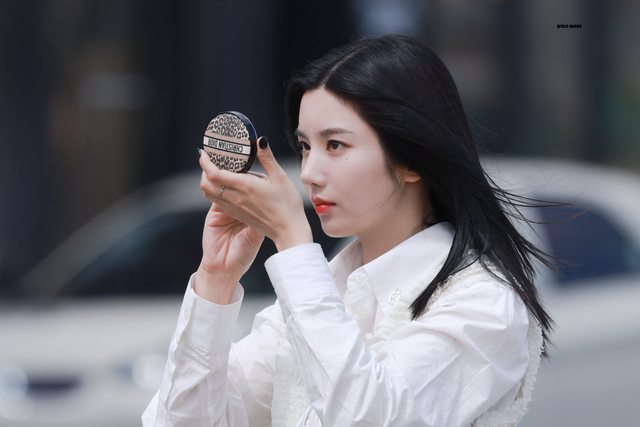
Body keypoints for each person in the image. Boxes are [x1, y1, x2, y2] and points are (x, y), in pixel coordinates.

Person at [142, 34, 552, 427]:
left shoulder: (484, 303)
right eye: (305, 147)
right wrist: (216, 278)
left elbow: (371, 418)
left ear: (411, 159)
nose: (309, 173)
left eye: (335, 145)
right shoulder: (318, 295)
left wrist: (293, 242)